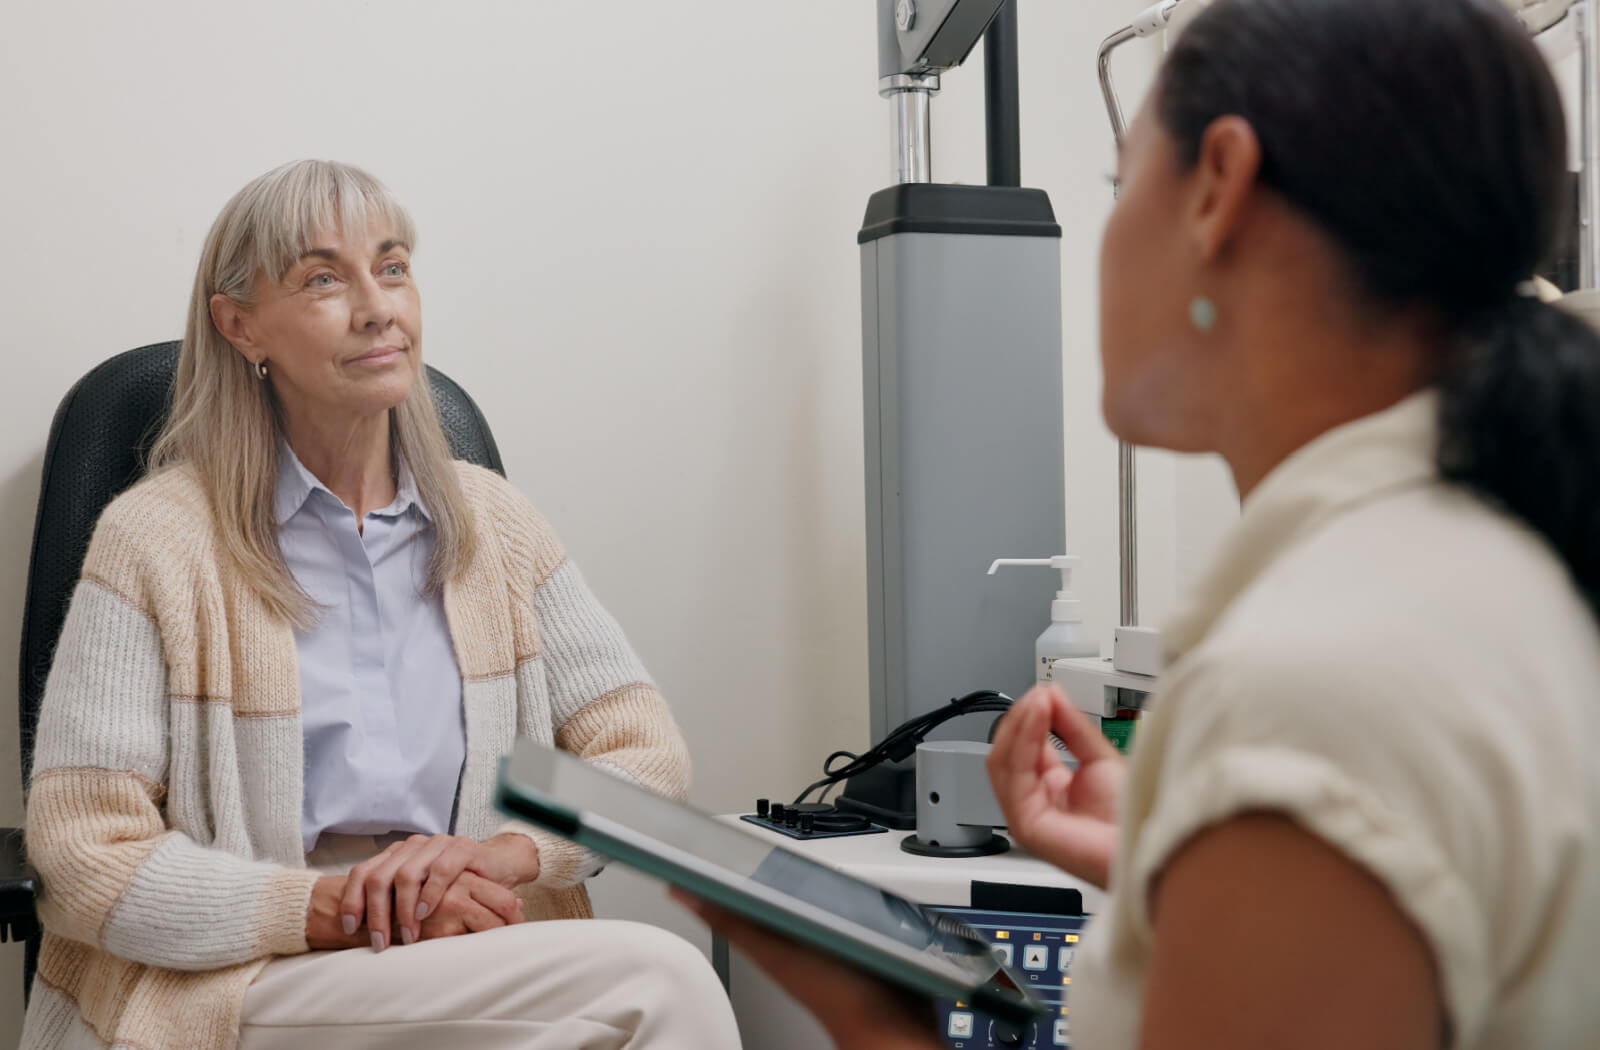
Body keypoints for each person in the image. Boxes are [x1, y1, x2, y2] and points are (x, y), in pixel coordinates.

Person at [685, 0, 1600, 1047]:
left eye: (1121, 182)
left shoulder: (1317, 680)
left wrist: (869, 1019)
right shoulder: (1490, 570)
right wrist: (1183, 857)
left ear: (1217, 188)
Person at [22, 160, 742, 1050]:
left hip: (462, 940)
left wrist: (496, 861)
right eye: (324, 279)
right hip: (249, 973)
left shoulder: (495, 525)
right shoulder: (155, 542)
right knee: (660, 981)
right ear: (240, 326)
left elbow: (645, 757)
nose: (377, 307)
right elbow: (86, 854)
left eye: (392, 267)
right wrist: (332, 909)